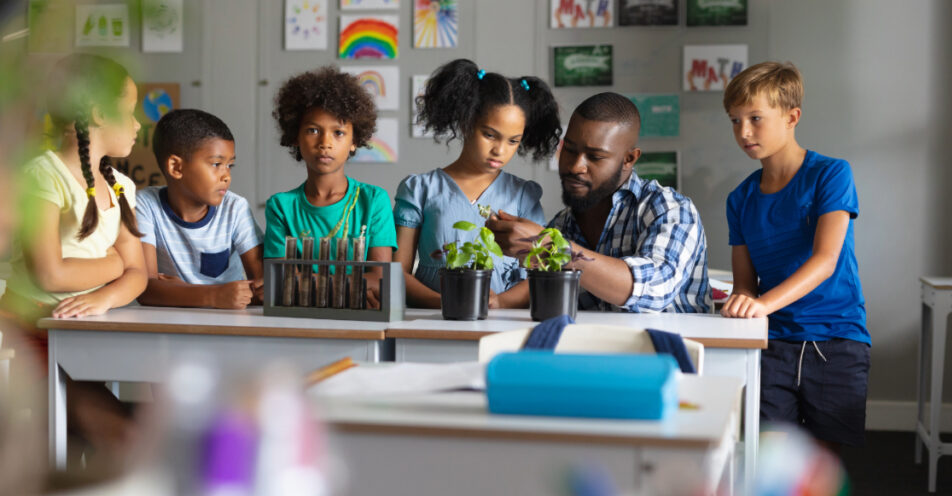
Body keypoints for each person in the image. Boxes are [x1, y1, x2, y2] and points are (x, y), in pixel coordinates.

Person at [0, 53, 148, 457]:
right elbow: (50, 274)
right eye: (130, 111)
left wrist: (104, 296)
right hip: (34, 340)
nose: (138, 125)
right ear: (99, 113)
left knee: (140, 433)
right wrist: (115, 265)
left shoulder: (120, 185)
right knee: (125, 439)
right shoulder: (42, 176)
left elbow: (139, 274)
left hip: (85, 335)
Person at [720, 61, 871, 448]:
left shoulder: (831, 174)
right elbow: (744, 285)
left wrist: (761, 304)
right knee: (770, 462)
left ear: (792, 117)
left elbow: (825, 261)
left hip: (836, 341)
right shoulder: (740, 199)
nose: (744, 132)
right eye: (735, 120)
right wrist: (743, 302)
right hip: (772, 345)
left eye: (755, 118)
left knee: (829, 470)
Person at [487, 92, 710, 313]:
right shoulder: (562, 225)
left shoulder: (670, 209)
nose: (575, 166)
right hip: (595, 346)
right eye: (570, 150)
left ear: (629, 159)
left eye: (595, 157)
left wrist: (550, 247)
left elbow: (654, 290)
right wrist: (500, 302)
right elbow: (549, 284)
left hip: (666, 347)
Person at [394, 59, 560, 309]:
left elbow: (541, 275)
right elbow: (397, 273)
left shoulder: (524, 195)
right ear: (465, 122)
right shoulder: (420, 190)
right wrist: (446, 303)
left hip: (503, 325)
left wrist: (499, 303)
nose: (500, 150)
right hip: (431, 322)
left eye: (513, 141)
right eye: (490, 135)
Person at [264, 66, 397, 304]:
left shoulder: (374, 200)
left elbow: (380, 279)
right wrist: (352, 286)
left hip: (360, 325)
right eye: (313, 130)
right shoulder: (281, 206)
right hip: (297, 324)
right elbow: (278, 278)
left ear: (354, 141)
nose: (325, 143)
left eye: (338, 133)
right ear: (295, 136)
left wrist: (303, 280)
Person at [136, 109, 264, 309]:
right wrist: (215, 296)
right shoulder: (145, 205)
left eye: (230, 165)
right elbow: (145, 289)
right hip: (168, 327)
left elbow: (264, 288)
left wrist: (178, 291)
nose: (226, 176)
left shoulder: (235, 209)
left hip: (230, 325)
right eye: (216, 164)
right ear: (176, 167)